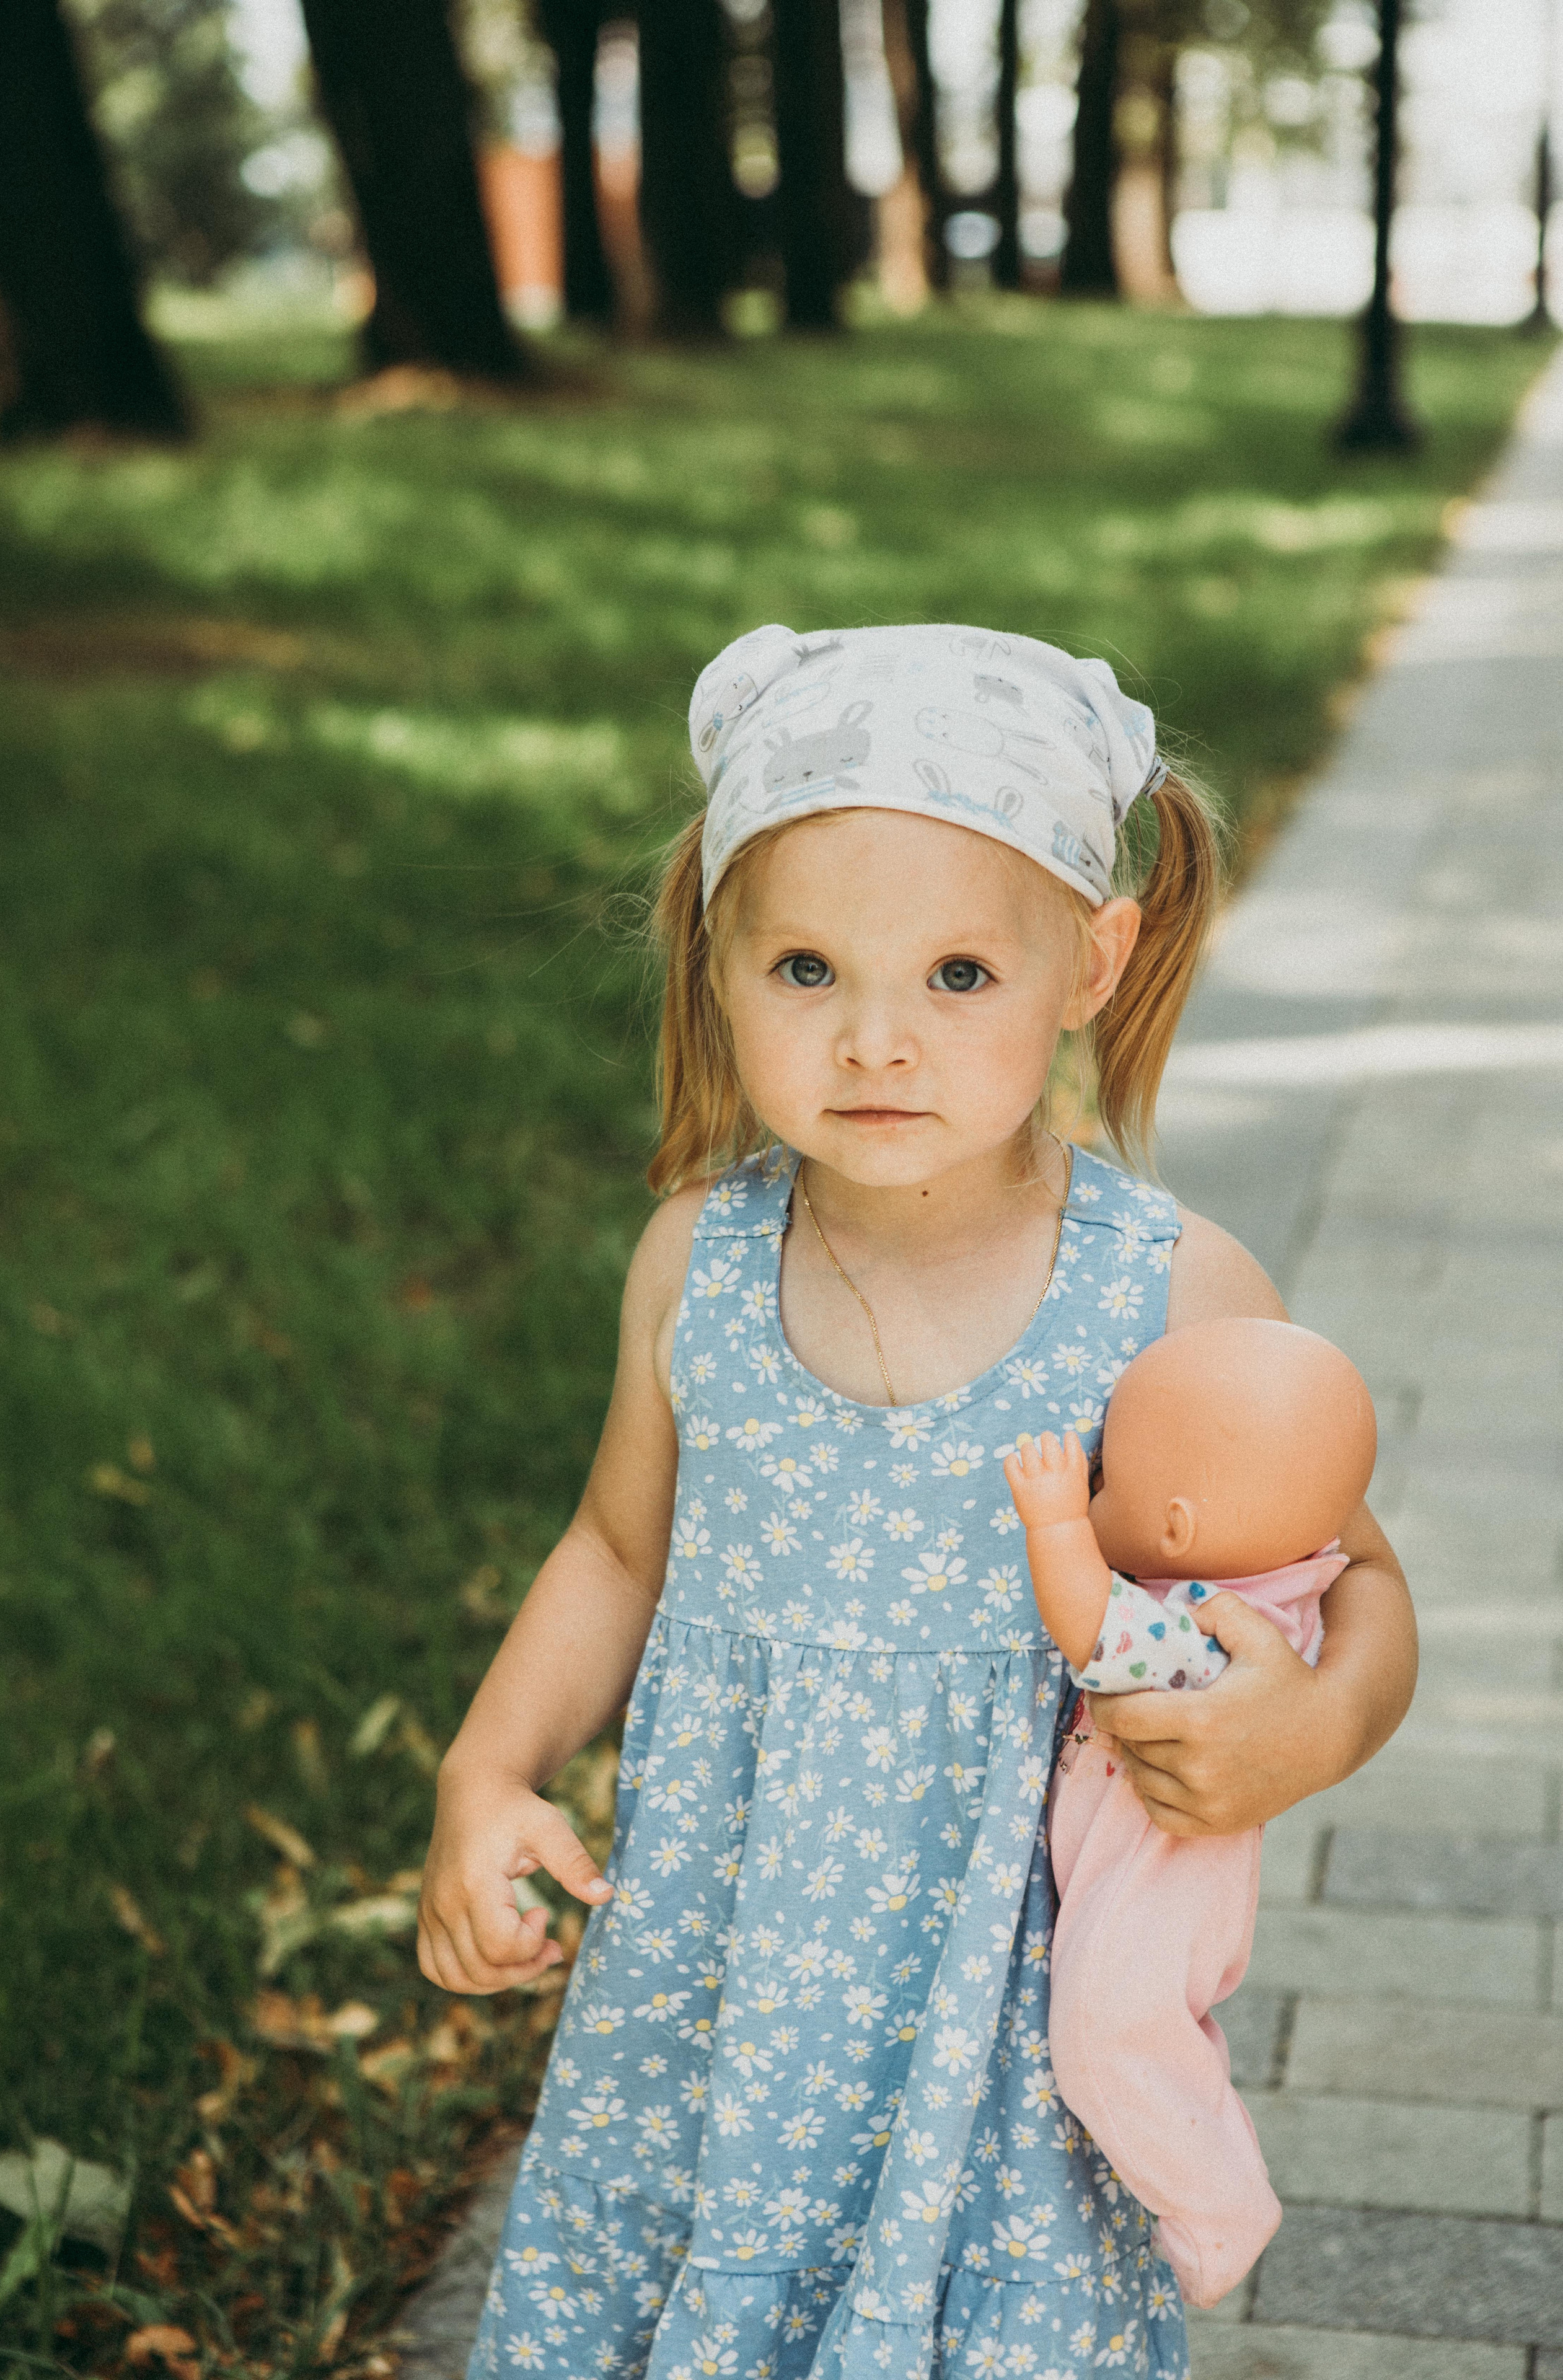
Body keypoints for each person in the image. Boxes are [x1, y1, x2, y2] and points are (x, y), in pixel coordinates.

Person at [418, 622, 1417, 2380]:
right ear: (713, 957)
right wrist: (489, 1772)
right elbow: (617, 1548)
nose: (877, 1041)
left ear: (1091, 964)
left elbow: (1362, 1582)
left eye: (959, 976)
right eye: (806, 968)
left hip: (998, 2011)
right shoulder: (696, 1268)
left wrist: (1314, 1724)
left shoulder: (1169, 1292)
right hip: (715, 1991)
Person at [1003, 1319, 1378, 2307]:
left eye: (1104, 1482)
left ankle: (1220, 2206)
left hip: (1158, 1876)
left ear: (1169, 1527)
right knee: (1148, 2028)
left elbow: (1085, 1618)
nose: (1091, 1491)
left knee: (1104, 2035)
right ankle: (1210, 2168)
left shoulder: (1197, 1626)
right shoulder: (1288, 1592)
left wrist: (1053, 1523)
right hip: (1175, 1871)